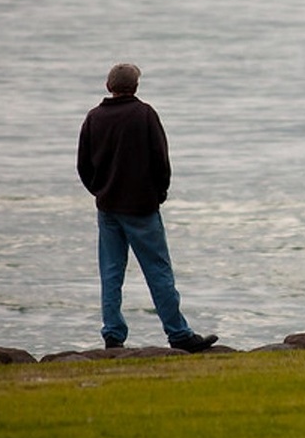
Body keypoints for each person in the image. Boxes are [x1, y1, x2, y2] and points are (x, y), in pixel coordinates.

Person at [76, 63, 218, 353]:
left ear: (108, 86)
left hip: (108, 207)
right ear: (136, 87)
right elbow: (160, 159)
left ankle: (113, 334)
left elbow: (83, 165)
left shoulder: (94, 118)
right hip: (141, 207)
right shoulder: (144, 114)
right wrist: (160, 193)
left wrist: (100, 190)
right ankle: (178, 334)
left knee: (111, 272)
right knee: (158, 272)